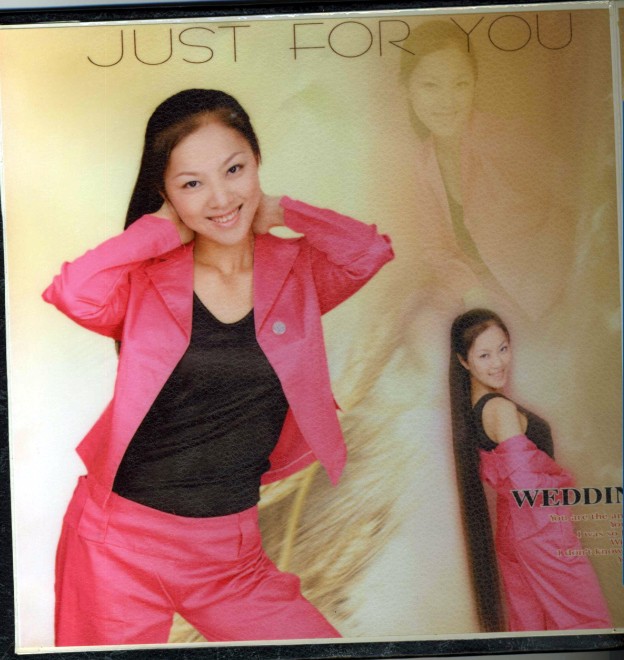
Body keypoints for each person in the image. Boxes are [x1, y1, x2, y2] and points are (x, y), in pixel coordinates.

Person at [43, 88, 394, 646]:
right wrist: (158, 231)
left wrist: (282, 211)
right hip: (119, 546)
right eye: (191, 184)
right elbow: (72, 292)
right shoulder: (145, 279)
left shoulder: (296, 270)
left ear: (257, 162)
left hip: (230, 556)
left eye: (234, 169)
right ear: (166, 193)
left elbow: (368, 252)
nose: (220, 197)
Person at [449, 308, 612, 632]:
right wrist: (561, 532)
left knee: (533, 627)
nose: (498, 362)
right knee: (588, 625)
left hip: (514, 533)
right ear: (464, 361)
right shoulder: (500, 410)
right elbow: (530, 492)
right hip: (538, 531)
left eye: (503, 349)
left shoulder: (475, 409)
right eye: (484, 355)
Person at [399, 21, 573, 321]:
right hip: (481, 290)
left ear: (475, 83)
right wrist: (471, 291)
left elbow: (577, 200)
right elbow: (435, 248)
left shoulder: (506, 140)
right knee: (413, 322)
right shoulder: (422, 160)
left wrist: (556, 278)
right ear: (407, 89)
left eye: (461, 83)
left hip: (544, 295)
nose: (447, 101)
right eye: (430, 85)